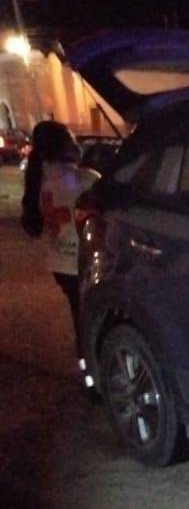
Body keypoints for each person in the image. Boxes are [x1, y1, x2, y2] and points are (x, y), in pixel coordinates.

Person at [21, 121, 99, 360]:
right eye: (72, 139)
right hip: (81, 264)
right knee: (92, 322)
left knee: (80, 318)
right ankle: (93, 370)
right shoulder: (85, 179)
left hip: (60, 264)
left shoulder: (38, 180)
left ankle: (87, 365)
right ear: (65, 146)